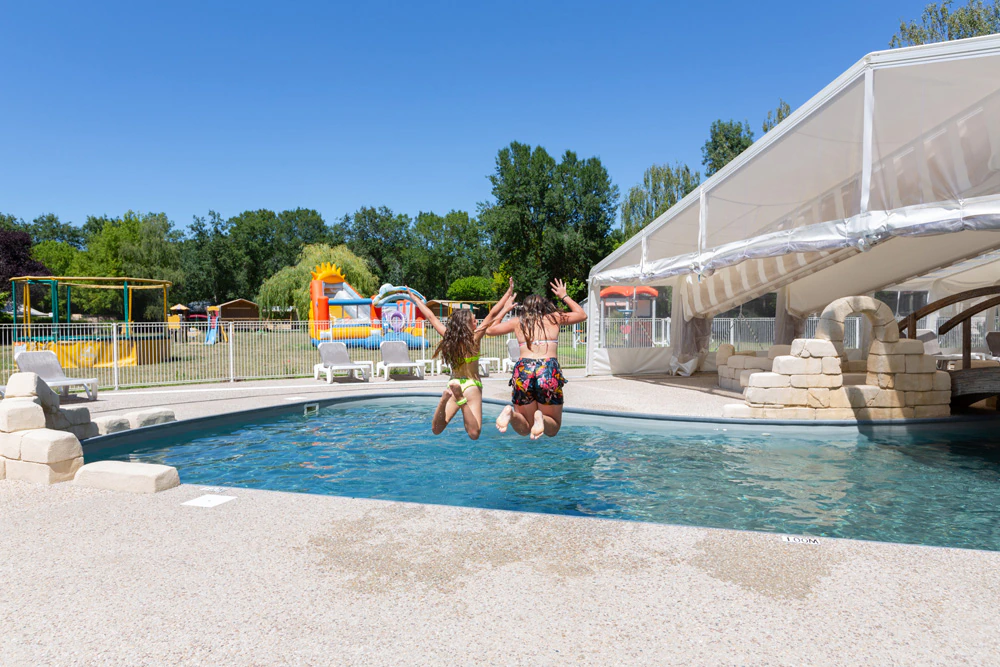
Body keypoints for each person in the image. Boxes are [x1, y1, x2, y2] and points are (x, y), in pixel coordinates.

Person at [403, 279, 516, 440]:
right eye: (474, 320)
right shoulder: (475, 338)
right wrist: (508, 293)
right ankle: (461, 400)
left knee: (437, 430)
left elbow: (430, 317)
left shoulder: (448, 336)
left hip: (453, 383)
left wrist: (415, 300)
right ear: (467, 324)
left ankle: (443, 400)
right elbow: (492, 314)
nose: (476, 321)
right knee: (474, 434)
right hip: (471, 385)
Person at [487, 278, 587, 439]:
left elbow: (490, 330)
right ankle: (540, 417)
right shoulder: (554, 318)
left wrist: (505, 309)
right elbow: (582, 315)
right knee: (553, 428)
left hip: (523, 370)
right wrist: (564, 296)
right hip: (547, 369)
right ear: (545, 306)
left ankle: (510, 415)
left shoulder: (517, 322)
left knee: (525, 428)